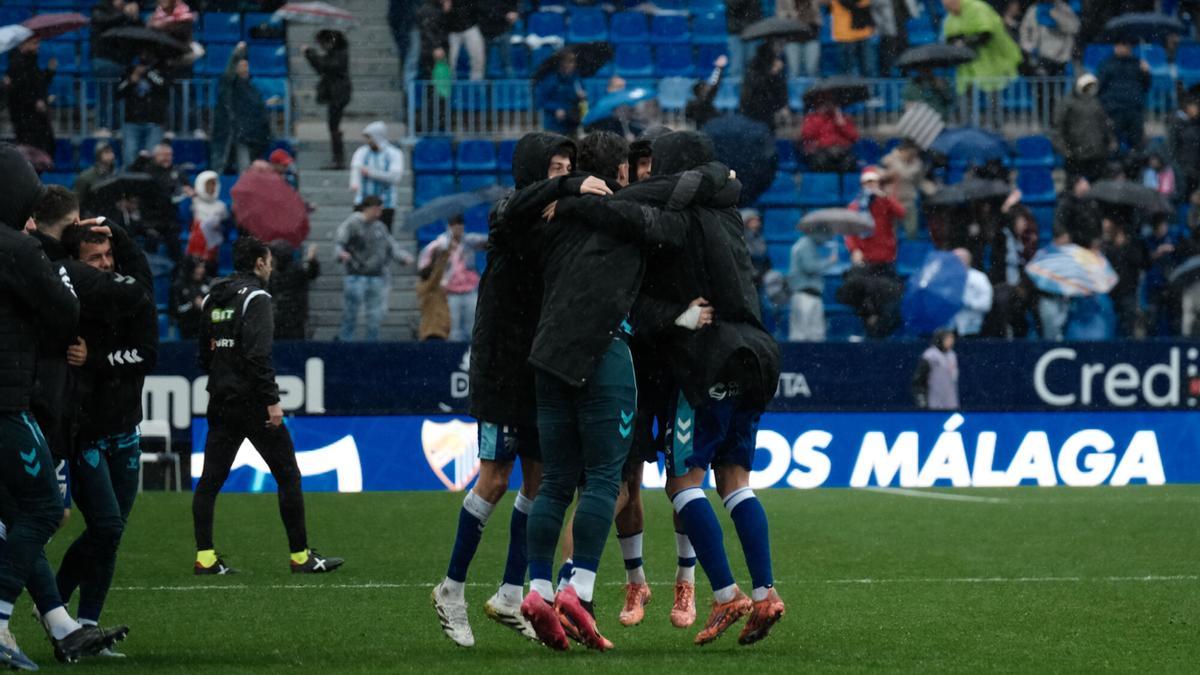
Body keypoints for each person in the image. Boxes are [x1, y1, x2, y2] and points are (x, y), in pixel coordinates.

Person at [432, 132, 605, 646]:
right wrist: (570, 186)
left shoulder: (558, 218)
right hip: (502, 372)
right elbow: (523, 206)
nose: (562, 175)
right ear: (533, 170)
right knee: (495, 478)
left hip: (539, 369)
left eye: (568, 167)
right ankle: (450, 588)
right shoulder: (508, 213)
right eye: (554, 167)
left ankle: (511, 594)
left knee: (540, 480)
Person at [0, 145, 114, 671]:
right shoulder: (19, 250)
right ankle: (0, 623)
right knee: (44, 508)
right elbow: (65, 312)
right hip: (7, 400)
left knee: (12, 513)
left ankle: (61, 624)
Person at [192, 235, 344, 575]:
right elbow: (258, 354)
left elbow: (204, 353)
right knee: (288, 475)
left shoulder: (214, 296)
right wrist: (272, 402)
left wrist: (222, 378)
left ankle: (205, 558)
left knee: (209, 482)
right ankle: (301, 556)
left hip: (220, 401)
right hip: (253, 405)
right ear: (260, 263)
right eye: (270, 262)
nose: (271, 268)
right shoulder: (257, 298)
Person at [56, 220, 156, 642]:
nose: (104, 264)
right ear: (75, 265)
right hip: (88, 433)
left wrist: (97, 358)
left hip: (127, 428)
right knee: (108, 527)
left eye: (107, 255)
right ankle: (56, 607)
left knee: (111, 534)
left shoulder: (132, 297)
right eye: (93, 258)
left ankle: (88, 625)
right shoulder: (69, 303)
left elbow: (146, 355)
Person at [333, 196, 414, 341]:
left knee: (374, 317)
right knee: (350, 314)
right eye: (377, 209)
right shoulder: (352, 224)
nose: (379, 213)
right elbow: (339, 243)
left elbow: (391, 246)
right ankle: (346, 342)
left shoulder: (380, 227)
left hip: (376, 276)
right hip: (356, 275)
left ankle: (372, 344)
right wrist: (341, 254)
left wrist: (403, 257)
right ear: (367, 209)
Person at [942, 0, 1023, 126]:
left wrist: (965, 42)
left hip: (993, 60)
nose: (948, 9)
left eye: (949, 4)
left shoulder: (977, 8)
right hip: (968, 65)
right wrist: (961, 42)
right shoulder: (951, 17)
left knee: (993, 93)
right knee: (966, 93)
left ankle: (995, 125)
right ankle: (967, 126)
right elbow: (949, 39)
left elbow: (986, 34)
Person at [417, 216, 487, 342]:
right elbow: (424, 262)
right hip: (450, 292)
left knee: (473, 326)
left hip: (469, 290)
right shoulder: (440, 244)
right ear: (449, 227)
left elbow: (486, 242)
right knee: (453, 328)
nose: (458, 229)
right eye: (455, 225)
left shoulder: (469, 241)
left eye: (460, 225)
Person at [212, 42, 272, 175]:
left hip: (253, 134)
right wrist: (236, 54)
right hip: (237, 133)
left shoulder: (252, 87)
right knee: (241, 167)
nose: (245, 69)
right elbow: (229, 73)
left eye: (246, 66)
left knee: (248, 166)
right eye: (241, 65)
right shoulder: (230, 84)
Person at [91, 0, 144, 132]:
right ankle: (104, 126)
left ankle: (117, 127)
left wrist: (135, 18)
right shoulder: (101, 9)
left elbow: (140, 33)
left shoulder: (128, 14)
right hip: (105, 60)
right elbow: (104, 22)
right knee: (107, 96)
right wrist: (125, 14)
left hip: (124, 62)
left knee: (120, 97)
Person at [1051, 74, 1114, 182]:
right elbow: (1057, 128)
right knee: (1076, 188)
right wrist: (1065, 150)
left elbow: (1104, 124)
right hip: (1076, 155)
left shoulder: (1095, 102)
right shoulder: (1067, 103)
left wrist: (1110, 140)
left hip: (1097, 153)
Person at [304, 30, 352, 170]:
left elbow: (327, 66)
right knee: (333, 126)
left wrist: (310, 53)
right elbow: (321, 68)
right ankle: (337, 157)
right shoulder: (335, 53)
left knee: (334, 126)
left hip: (339, 93)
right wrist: (310, 55)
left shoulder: (340, 53)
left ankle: (339, 159)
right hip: (335, 93)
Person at [349, 121, 406, 231]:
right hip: (363, 203)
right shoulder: (361, 152)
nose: (368, 141)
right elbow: (356, 169)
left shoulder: (394, 153)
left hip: (385, 204)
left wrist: (371, 173)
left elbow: (395, 177)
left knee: (382, 235)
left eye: (370, 137)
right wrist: (354, 183)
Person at [1097, 38, 1151, 152]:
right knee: (1113, 144)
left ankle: (1135, 166)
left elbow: (1146, 86)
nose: (1123, 48)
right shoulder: (1107, 64)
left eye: (1126, 45)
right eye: (1120, 45)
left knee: (1137, 145)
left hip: (1134, 109)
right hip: (1114, 110)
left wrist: (1146, 73)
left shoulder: (1138, 64)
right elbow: (1100, 87)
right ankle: (1114, 166)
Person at [116, 55, 170, 168]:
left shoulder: (160, 70)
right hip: (132, 121)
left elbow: (164, 87)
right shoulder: (129, 71)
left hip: (154, 122)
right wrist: (132, 79)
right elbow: (118, 93)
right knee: (130, 157)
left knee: (154, 159)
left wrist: (148, 73)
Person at [6, 38, 57, 156]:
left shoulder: (32, 63)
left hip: (35, 117)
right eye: (34, 43)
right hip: (26, 118)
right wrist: (35, 102)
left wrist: (50, 71)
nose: (37, 46)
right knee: (32, 151)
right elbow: (18, 92)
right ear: (23, 44)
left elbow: (38, 84)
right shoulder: (17, 64)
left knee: (43, 150)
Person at [789, 226, 839, 341]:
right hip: (806, 294)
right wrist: (829, 262)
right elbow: (810, 267)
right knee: (805, 335)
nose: (826, 238)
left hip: (807, 294)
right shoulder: (806, 244)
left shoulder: (804, 244)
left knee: (810, 334)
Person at [268, 240, 320, 340]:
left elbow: (312, 273)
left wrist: (312, 260)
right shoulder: (272, 274)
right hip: (282, 318)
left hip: (292, 319)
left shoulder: (296, 272)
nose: (271, 259)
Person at [1018, 0, 1079, 77]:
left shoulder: (1063, 8)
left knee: (1057, 85)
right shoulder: (1034, 10)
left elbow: (1074, 28)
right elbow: (1023, 33)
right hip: (1038, 61)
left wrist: (1054, 14)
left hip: (1059, 61)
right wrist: (1030, 48)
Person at [184, 170, 228, 271]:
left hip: (213, 248)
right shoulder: (193, 203)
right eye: (208, 184)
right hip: (196, 248)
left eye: (214, 184)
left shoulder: (221, 206)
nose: (212, 188)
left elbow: (226, 227)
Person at [799, 99, 860, 173]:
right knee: (820, 162)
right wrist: (820, 116)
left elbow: (854, 137)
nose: (829, 106)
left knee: (850, 162)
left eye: (833, 103)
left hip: (842, 152)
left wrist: (841, 123)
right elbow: (806, 134)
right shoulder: (813, 118)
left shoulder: (844, 118)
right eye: (825, 103)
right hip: (821, 152)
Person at [739, 44, 790, 132]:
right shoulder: (754, 65)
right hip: (753, 108)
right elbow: (756, 84)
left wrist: (783, 105)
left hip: (769, 109)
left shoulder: (776, 65)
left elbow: (781, 88)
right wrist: (771, 73)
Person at [881, 139, 925, 238]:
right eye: (910, 152)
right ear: (903, 150)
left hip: (908, 200)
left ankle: (910, 250)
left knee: (912, 231)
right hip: (891, 200)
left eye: (914, 153)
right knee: (891, 232)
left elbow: (916, 180)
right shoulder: (888, 159)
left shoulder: (917, 163)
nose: (912, 155)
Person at [536, 50, 584, 136]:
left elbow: (581, 98)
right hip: (554, 125)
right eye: (569, 62)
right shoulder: (550, 80)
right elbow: (541, 101)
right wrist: (556, 109)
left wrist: (581, 96)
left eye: (573, 62)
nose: (572, 65)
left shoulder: (576, 79)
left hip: (572, 123)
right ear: (562, 63)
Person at [951, 248, 994, 337]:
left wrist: (968, 303)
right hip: (950, 329)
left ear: (967, 260)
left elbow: (986, 304)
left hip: (973, 327)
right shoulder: (945, 278)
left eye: (958, 258)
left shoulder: (979, 277)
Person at [912, 329, 958, 410]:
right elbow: (920, 379)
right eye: (948, 339)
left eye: (952, 339)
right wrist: (922, 398)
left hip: (950, 400)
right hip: (934, 400)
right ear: (940, 339)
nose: (951, 341)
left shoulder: (952, 355)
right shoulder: (930, 355)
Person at [831, 0, 876, 77]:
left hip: (863, 33)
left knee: (867, 69)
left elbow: (866, 4)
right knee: (847, 71)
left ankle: (868, 88)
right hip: (844, 36)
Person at [169, 256, 211, 339]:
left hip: (206, 328)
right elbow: (175, 311)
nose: (202, 270)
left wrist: (205, 304)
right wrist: (192, 305)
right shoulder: (178, 286)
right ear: (190, 268)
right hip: (187, 329)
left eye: (203, 267)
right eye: (198, 267)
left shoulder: (208, 283)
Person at [778, 0, 822, 78]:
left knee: (812, 70)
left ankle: (813, 89)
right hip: (792, 37)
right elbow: (780, 15)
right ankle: (795, 90)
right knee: (794, 71)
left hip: (811, 35)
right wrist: (791, 15)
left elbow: (826, 3)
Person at [1056, 175, 1101, 248]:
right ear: (1077, 185)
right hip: (1072, 243)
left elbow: (1095, 222)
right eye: (1083, 181)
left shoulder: (1090, 202)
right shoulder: (1067, 201)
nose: (1087, 184)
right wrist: (1063, 234)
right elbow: (1059, 221)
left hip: (1087, 243)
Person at [75, 141, 118, 217]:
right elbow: (77, 200)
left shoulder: (116, 175)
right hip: (91, 214)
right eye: (106, 152)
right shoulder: (86, 176)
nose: (111, 155)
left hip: (111, 214)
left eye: (111, 152)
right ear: (99, 155)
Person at [1169, 96, 1200, 200]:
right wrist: (1176, 164)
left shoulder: (1196, 124)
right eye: (1195, 107)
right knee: (1182, 196)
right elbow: (1172, 146)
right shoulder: (1178, 123)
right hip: (1182, 167)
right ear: (1187, 107)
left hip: (1195, 168)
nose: (1197, 110)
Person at [684, 55, 727, 130]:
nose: (708, 88)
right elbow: (715, 84)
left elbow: (715, 84)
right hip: (707, 130)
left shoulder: (693, 105)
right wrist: (719, 69)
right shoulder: (703, 103)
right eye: (706, 88)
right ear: (700, 91)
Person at [479, 1, 518, 79]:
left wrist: (514, 12)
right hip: (484, 32)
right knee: (483, 65)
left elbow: (513, 9)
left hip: (503, 30)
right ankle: (483, 89)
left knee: (507, 65)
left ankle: (510, 88)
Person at [725, 0, 763, 78]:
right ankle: (737, 89)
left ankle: (751, 87)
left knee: (752, 65)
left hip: (752, 31)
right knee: (736, 67)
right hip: (736, 31)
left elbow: (757, 11)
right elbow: (732, 5)